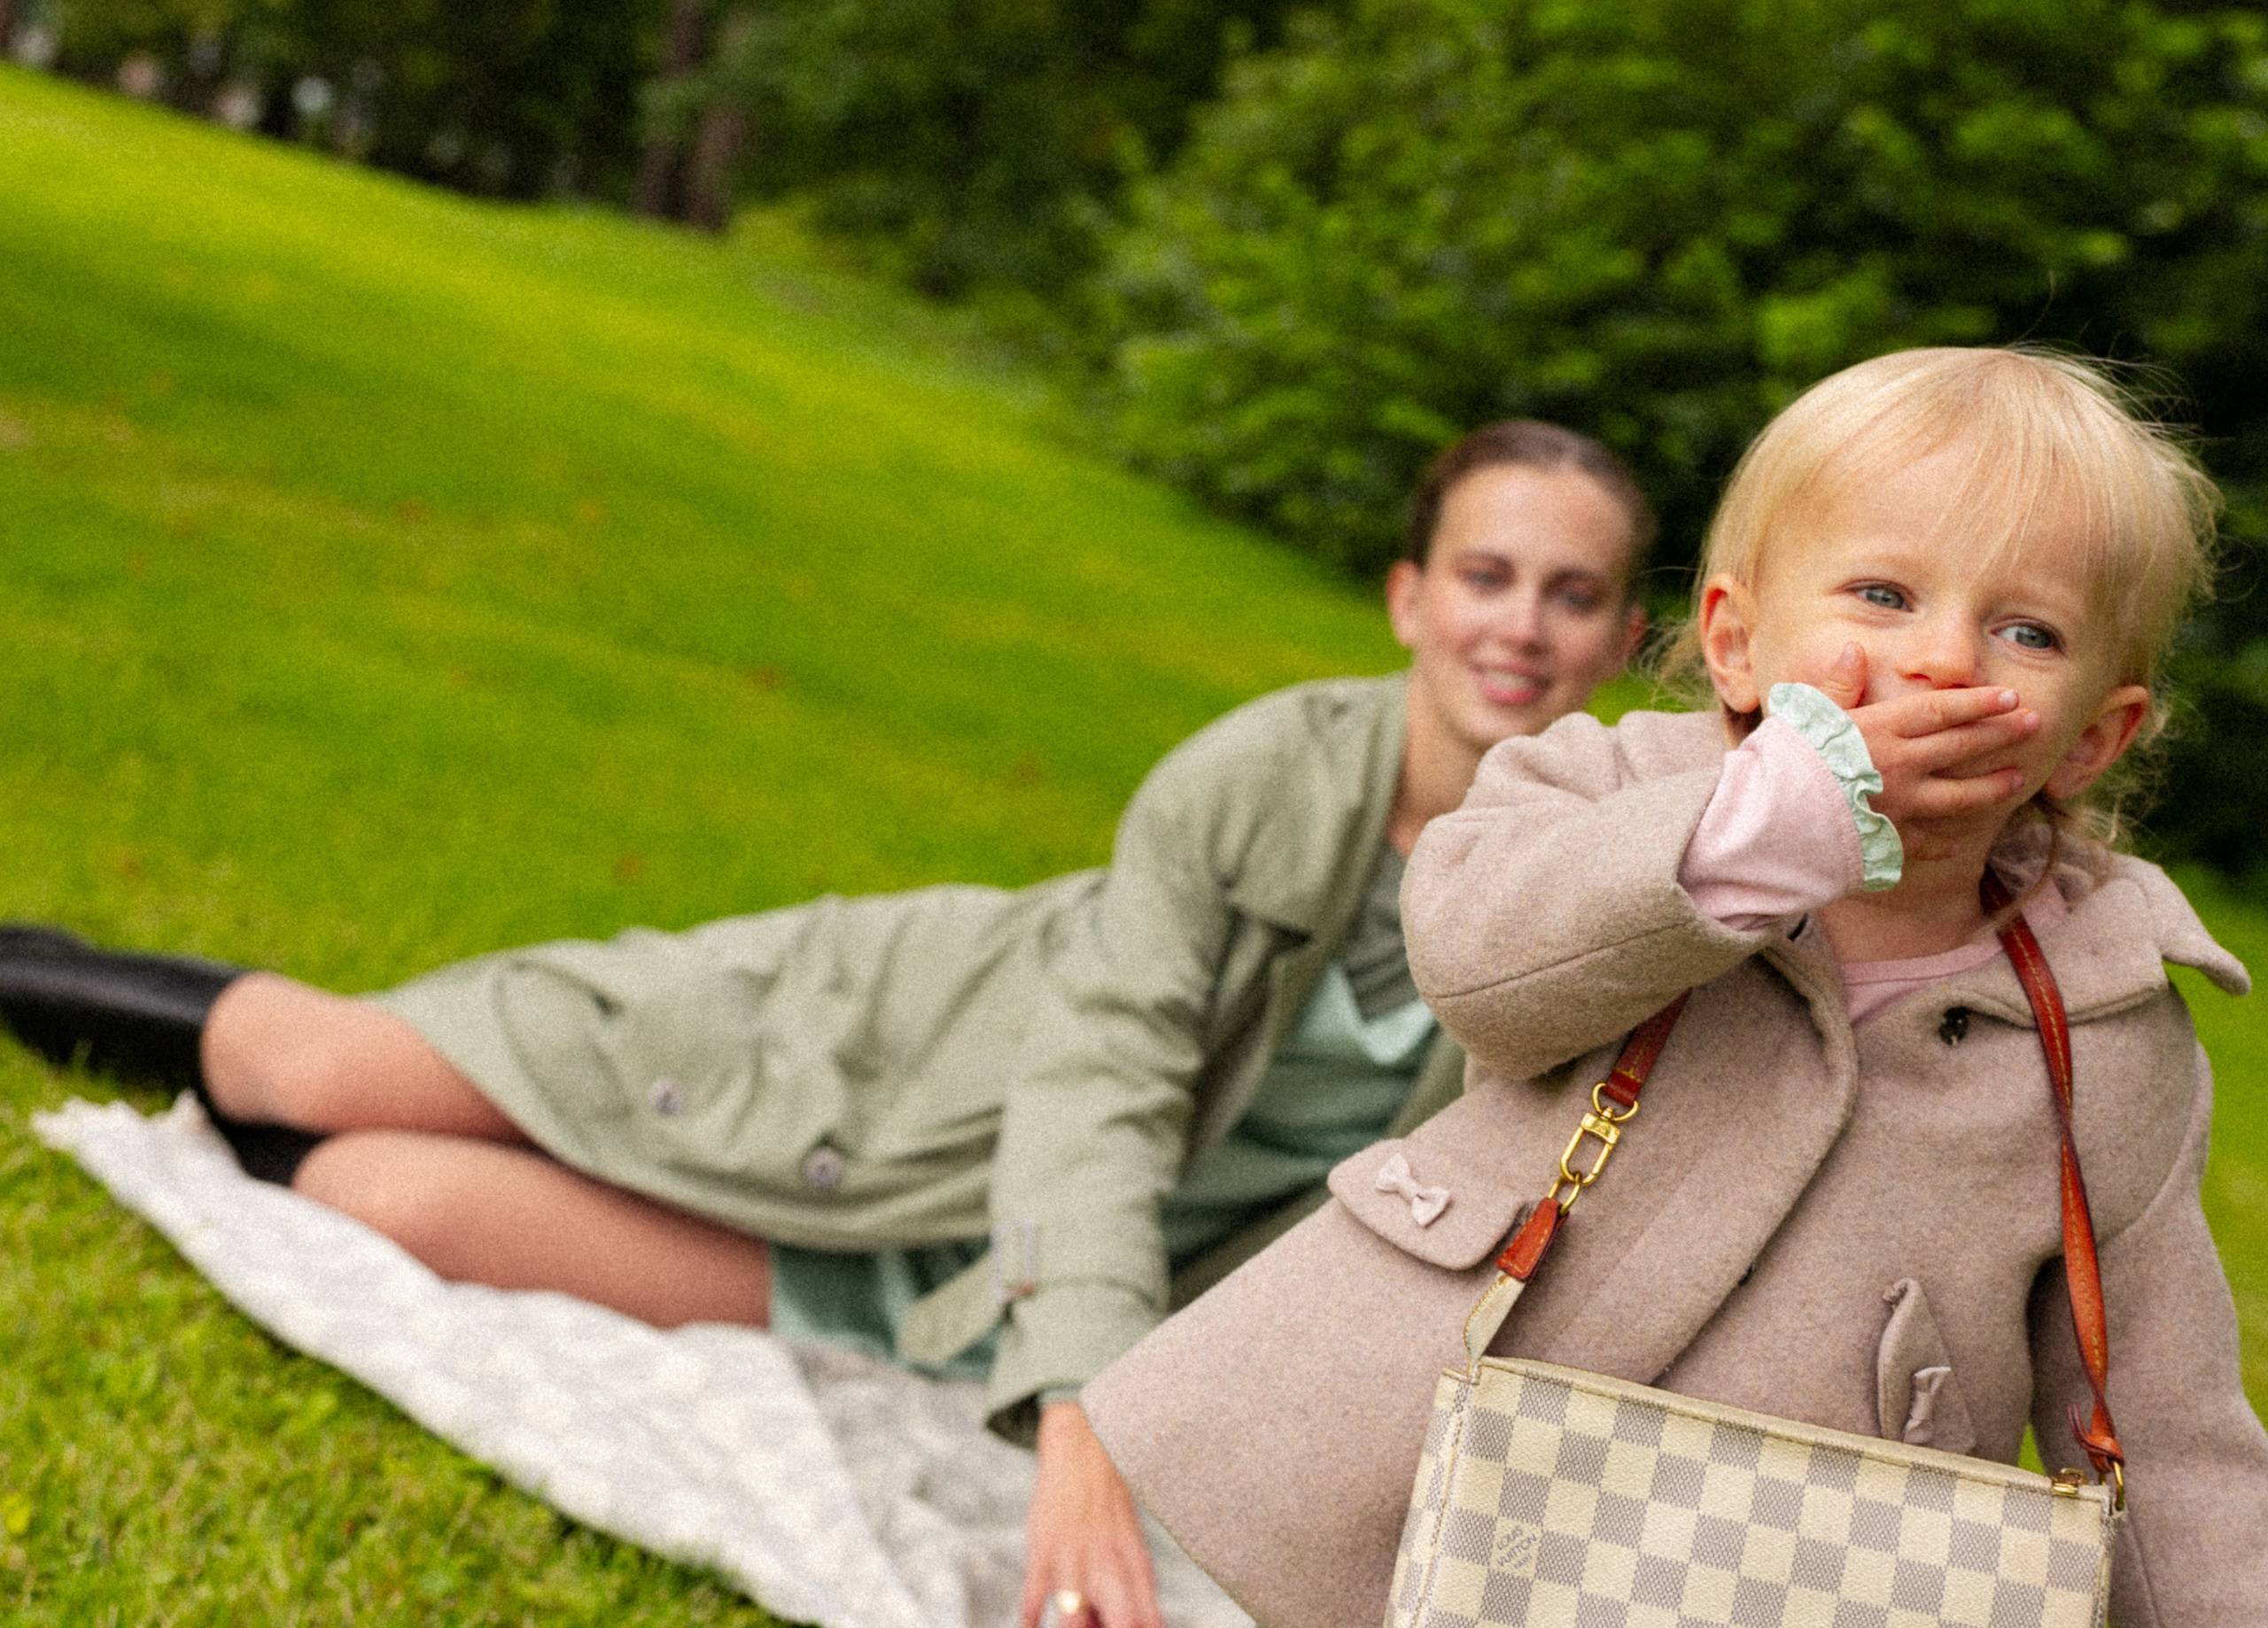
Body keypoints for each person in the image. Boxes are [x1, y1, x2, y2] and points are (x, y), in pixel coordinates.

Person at [0, 420, 1653, 1628]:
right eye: (1485, 575)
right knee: (308, 1066)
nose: (1519, 624)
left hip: (949, 1262)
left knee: (375, 1195)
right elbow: (1098, 1086)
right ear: (1407, 596)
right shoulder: (1262, 778)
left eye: (1570, 594)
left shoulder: (1603, 909)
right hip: (880, 1064)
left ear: (1628, 637)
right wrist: (1080, 1415)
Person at [1084, 347, 2267, 1626]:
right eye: (1882, 592)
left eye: (2026, 630)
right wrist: (1774, 825)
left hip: (1808, 1577)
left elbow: (2161, 1418)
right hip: (1436, 1486)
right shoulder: (1606, 792)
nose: (1942, 657)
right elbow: (1481, 964)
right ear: (1737, 643)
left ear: (2094, 733)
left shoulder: (2104, 1021)